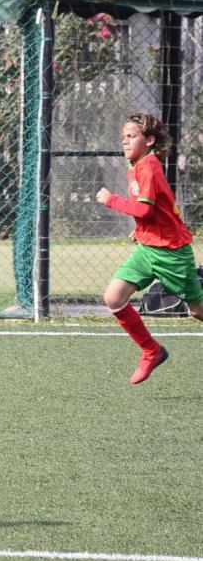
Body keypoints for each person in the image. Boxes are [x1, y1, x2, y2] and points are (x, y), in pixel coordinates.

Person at [95, 112, 203, 384]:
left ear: (150, 140)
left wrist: (111, 200)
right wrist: (142, 229)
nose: (125, 141)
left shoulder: (149, 165)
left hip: (171, 252)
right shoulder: (138, 164)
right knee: (114, 298)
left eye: (131, 136)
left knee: (198, 311)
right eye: (123, 137)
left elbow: (144, 209)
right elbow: (155, 210)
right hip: (148, 248)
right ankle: (151, 350)